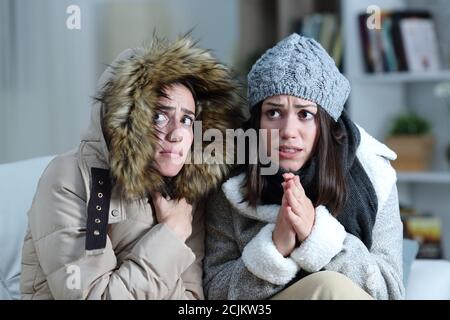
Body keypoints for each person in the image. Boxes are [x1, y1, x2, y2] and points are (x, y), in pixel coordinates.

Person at [20, 35, 245, 299]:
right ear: (129, 117)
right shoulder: (70, 178)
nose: (176, 134)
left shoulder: (185, 195)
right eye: (160, 116)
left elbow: (191, 299)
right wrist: (171, 235)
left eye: (186, 120)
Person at [203, 33, 405, 300]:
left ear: (326, 123)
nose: (288, 131)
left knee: (332, 288)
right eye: (273, 112)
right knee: (330, 289)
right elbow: (214, 291)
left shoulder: (373, 174)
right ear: (257, 121)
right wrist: (276, 248)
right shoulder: (230, 178)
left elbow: (391, 292)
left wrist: (319, 235)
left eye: (305, 114)